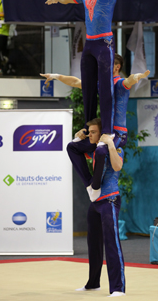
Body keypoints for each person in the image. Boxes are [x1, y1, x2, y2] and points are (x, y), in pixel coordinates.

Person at [45, 0, 127, 138]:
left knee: (105, 89)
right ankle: (88, 128)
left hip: (103, 44)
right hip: (90, 45)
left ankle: (107, 131)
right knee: (89, 88)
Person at [40, 55, 150, 201]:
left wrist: (137, 76)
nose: (103, 68)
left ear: (117, 67)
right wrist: (55, 76)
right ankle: (90, 185)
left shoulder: (120, 84)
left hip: (118, 134)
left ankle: (97, 187)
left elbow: (129, 80)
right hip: (104, 133)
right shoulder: (101, 84)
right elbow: (76, 82)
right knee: (72, 147)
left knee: (100, 150)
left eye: (107, 65)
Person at [75, 118, 126, 296]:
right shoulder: (96, 150)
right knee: (93, 245)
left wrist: (110, 144)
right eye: (89, 132)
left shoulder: (116, 148)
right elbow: (78, 153)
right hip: (95, 203)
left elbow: (117, 165)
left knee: (112, 243)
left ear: (102, 133)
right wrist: (78, 138)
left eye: (94, 132)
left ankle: (118, 288)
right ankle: (93, 283)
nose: (90, 134)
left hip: (110, 201)